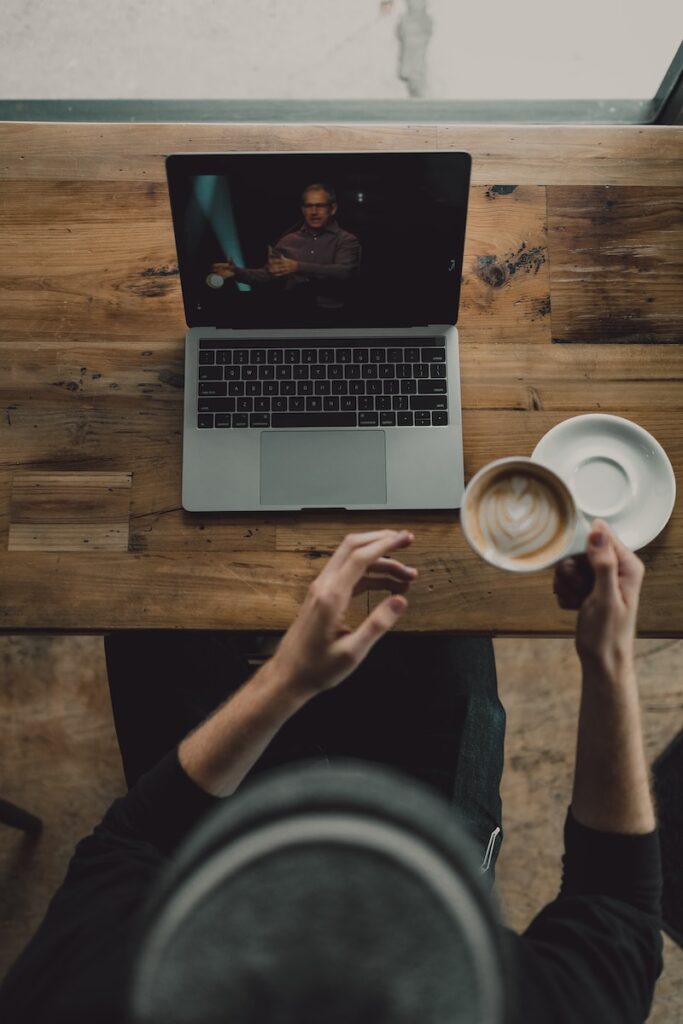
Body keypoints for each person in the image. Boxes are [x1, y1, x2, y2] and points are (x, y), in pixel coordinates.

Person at [0, 522, 662, 1023]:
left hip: (220, 851)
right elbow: (615, 903)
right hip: (421, 843)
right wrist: (608, 660)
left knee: (144, 592)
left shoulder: (86, 997)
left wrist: (285, 682)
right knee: (435, 572)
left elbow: (133, 841)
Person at [210, 183, 361, 311]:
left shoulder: (346, 240)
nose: (314, 212)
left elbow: (344, 272)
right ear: (303, 210)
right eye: (309, 206)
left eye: (320, 206)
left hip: (334, 316)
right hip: (292, 315)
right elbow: (268, 274)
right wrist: (237, 273)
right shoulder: (288, 240)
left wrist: (297, 267)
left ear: (332, 209)